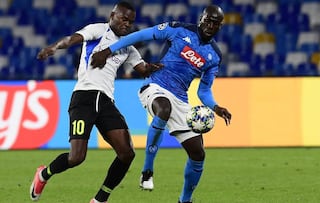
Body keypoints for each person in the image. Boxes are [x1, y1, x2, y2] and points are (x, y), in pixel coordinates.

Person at [91, 4, 232, 203]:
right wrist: (108, 50)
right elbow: (141, 36)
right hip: (155, 86)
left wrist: (216, 107)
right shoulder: (178, 29)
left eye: (215, 23)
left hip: (181, 99)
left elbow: (204, 90)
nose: (210, 25)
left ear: (220, 27)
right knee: (163, 109)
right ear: (201, 19)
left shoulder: (214, 56)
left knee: (198, 154)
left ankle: (185, 200)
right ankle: (147, 170)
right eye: (208, 20)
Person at [29, 2, 161, 203]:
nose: (127, 25)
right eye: (124, 19)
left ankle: (100, 199)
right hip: (84, 98)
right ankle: (43, 174)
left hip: (106, 102)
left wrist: (156, 67)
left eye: (131, 22)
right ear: (112, 15)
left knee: (127, 153)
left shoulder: (128, 46)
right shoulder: (98, 30)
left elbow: (142, 69)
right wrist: (53, 47)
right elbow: (72, 39)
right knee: (76, 158)